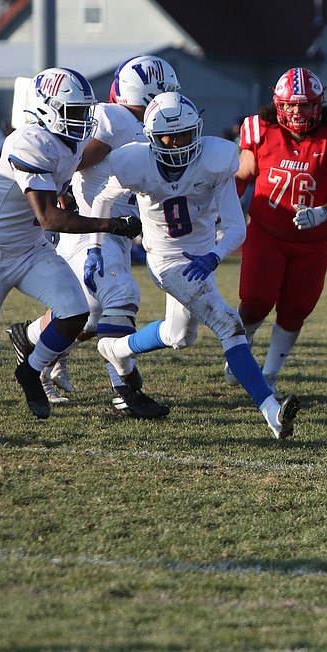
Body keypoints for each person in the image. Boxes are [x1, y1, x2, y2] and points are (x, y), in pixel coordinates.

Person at [91, 91, 300, 439]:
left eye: (186, 134)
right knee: (228, 323)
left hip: (202, 257)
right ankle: (271, 411)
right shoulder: (133, 162)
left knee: (180, 335)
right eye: (170, 136)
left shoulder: (215, 159)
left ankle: (115, 348)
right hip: (165, 258)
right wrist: (95, 247)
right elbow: (103, 197)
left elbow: (236, 226)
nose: (179, 143)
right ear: (152, 138)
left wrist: (214, 255)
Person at [11, 55, 180, 416]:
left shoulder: (138, 122)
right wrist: (65, 194)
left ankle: (30, 339)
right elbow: (74, 163)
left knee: (87, 315)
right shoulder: (114, 118)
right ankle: (126, 391)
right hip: (94, 227)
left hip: (112, 228)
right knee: (120, 296)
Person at [0, 67, 143, 419]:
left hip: (30, 248)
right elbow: (49, 216)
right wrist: (112, 224)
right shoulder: (28, 140)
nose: (82, 119)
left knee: (75, 314)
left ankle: (30, 371)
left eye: (83, 110)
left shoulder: (70, 141)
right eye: (74, 111)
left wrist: (69, 201)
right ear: (48, 107)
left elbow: (57, 187)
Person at [227, 67, 327, 398]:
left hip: (313, 242)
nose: (297, 112)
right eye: (290, 105)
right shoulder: (260, 131)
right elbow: (242, 176)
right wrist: (220, 212)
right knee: (255, 301)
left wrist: (322, 212)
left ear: (319, 104)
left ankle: (269, 374)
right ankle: (242, 350)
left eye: (305, 105)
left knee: (295, 310)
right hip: (266, 232)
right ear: (277, 103)